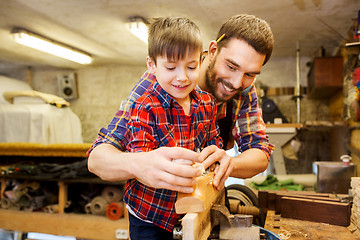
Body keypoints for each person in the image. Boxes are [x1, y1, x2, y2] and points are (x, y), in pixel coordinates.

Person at [88, 12, 274, 231]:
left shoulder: (243, 88)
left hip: (207, 206)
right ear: (213, 51)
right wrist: (139, 164)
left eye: (250, 74)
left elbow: (260, 153)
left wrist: (229, 163)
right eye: (231, 67)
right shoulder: (156, 85)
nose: (236, 82)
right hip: (156, 216)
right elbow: (97, 158)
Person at [117, 17, 223, 239]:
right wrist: (180, 164)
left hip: (191, 208)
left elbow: (213, 141)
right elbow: (142, 162)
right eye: (171, 67)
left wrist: (213, 156)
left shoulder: (206, 102)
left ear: (201, 61)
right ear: (152, 66)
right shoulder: (143, 106)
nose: (182, 77)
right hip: (149, 215)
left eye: (191, 67)